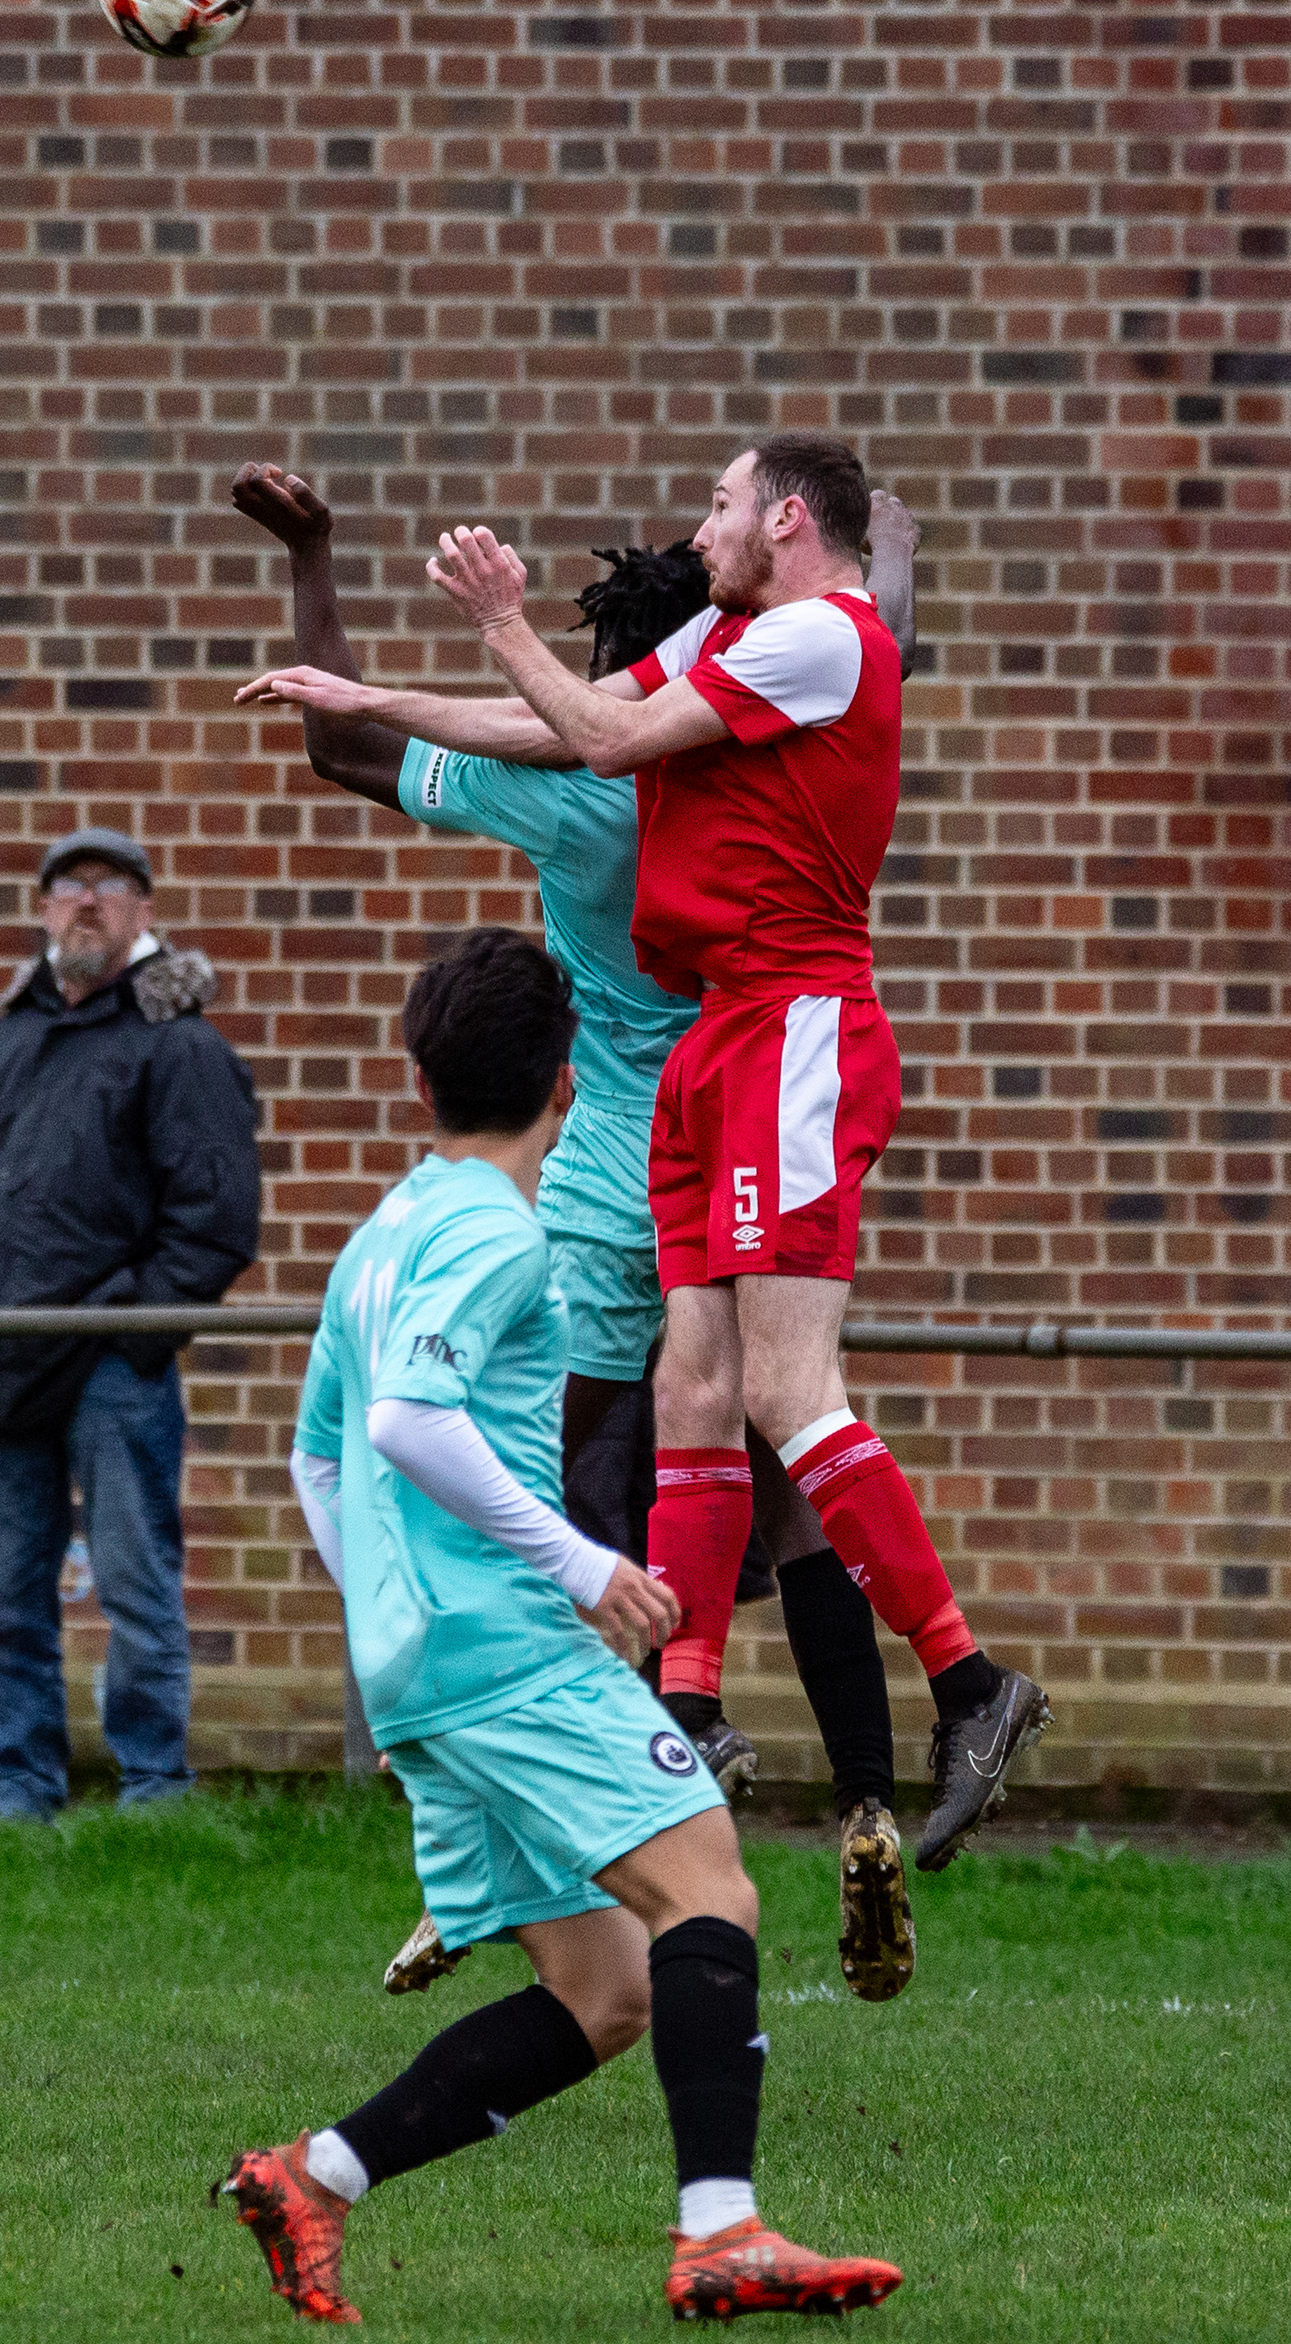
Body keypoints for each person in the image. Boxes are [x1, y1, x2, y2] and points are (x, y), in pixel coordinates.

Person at [232, 463, 918, 2002]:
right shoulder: (758, 736)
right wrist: (879, 557)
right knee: (790, 1463)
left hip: (621, 1157)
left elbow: (347, 743)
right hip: (775, 1110)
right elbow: (863, 652)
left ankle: (561, 1809)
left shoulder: (580, 779)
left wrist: (319, 556)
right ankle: (870, 1793)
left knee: (579, 1504)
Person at [216, 928, 901, 2327]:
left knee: (609, 1990)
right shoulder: (495, 1232)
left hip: (426, 1669)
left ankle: (313, 2176)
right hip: (506, 1649)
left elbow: (320, 1460)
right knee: (713, 1890)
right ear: (571, 1083)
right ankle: (722, 2234)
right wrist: (580, 1566)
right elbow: (406, 1424)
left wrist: (388, 1645)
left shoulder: (383, 1234)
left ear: (422, 1082)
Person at [419, 436, 1051, 1874]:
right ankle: (692, 1711)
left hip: (786, 1033)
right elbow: (584, 715)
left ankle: (964, 1685)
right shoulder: (747, 647)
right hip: (711, 1055)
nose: (699, 527)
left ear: (778, 521)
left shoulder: (790, 647)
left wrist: (498, 617)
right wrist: (349, 688)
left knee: (779, 1397)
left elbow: (603, 731)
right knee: (694, 1392)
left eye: (719, 503)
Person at [0, 827, 259, 1820]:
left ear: (144, 913)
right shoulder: (5, 1039)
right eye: (68, 886)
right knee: (7, 1605)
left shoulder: (179, 1047)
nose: (87, 902)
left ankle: (153, 1790)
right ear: (42, 908)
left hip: (113, 1371)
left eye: (111, 887)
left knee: (135, 1589)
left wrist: (132, 1330)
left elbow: (216, 1220)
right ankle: (22, 1789)